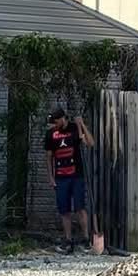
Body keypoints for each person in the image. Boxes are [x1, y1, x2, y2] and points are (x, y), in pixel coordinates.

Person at [44, 106, 94, 252]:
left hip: (76, 175)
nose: (54, 125)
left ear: (62, 118)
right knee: (64, 210)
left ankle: (85, 240)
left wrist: (82, 125)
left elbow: (90, 143)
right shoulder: (51, 134)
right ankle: (68, 240)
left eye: (55, 122)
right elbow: (48, 157)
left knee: (80, 208)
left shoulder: (74, 128)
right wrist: (50, 177)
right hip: (60, 178)